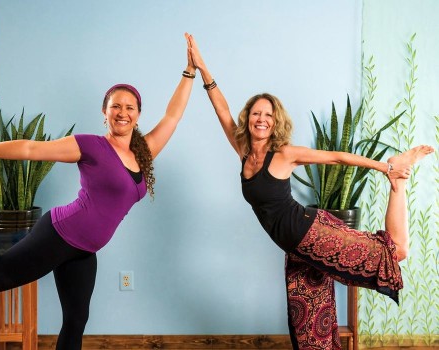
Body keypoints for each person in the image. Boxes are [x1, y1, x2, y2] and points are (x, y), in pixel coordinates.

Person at [185, 33, 434, 350]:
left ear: (275, 123)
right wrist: (202, 67)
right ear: (248, 119)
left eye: (268, 114)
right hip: (297, 249)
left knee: (396, 252)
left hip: (312, 234)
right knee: (308, 328)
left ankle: (398, 183)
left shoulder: (284, 154)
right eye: (256, 113)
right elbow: (220, 108)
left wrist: (386, 168)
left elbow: (337, 157)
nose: (261, 118)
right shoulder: (244, 152)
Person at [0, 34, 197, 350]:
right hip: (60, 233)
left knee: (76, 319)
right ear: (104, 112)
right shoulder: (90, 145)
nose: (122, 112)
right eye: (115, 107)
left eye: (130, 107)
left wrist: (190, 71)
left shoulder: (144, 152)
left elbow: (174, 115)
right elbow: (31, 148)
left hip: (85, 249)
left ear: (138, 114)